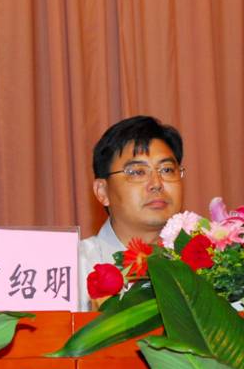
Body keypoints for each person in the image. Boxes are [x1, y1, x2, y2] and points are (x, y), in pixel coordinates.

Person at [78, 116, 185, 310]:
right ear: (102, 192)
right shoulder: (73, 267)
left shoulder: (211, 266)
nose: (156, 184)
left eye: (167, 170)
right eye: (137, 172)